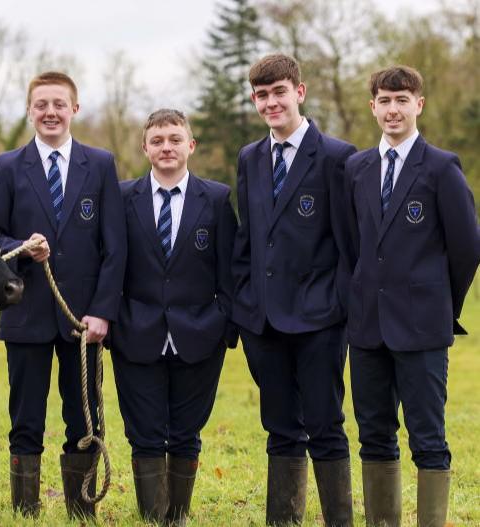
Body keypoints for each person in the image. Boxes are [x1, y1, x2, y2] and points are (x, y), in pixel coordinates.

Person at [0, 71, 127, 520]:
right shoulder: (7, 166)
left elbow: (115, 247)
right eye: (41, 104)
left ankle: (82, 511)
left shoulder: (100, 164)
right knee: (25, 419)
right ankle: (25, 511)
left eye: (59, 104)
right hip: (25, 313)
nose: (50, 112)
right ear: (29, 110)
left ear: (74, 109)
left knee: (84, 419)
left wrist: (103, 312)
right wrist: (22, 248)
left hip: (82, 320)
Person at [344, 65, 480, 527]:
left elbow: (466, 248)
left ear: (419, 104)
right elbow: (351, 244)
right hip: (366, 326)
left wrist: (441, 303)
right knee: (373, 434)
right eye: (384, 100)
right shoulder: (357, 168)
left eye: (402, 100)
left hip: (422, 326)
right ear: (373, 107)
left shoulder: (441, 167)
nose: (393, 109)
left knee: (427, 436)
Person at [231, 54, 357, 526]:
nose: (271, 102)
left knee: (325, 426)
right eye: (261, 95)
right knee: (280, 428)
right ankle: (283, 520)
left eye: (279, 92)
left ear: (299, 92)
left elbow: (350, 244)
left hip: (320, 318)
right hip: (263, 321)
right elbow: (247, 238)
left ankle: (338, 521)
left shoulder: (338, 158)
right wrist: (245, 303)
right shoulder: (250, 158)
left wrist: (339, 304)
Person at [110, 109, 237, 526]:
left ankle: (177, 517)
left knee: (186, 432)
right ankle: (152, 518)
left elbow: (229, 269)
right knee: (144, 432)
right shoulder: (122, 197)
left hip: (200, 333)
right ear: (145, 147)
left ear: (190, 145)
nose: (167, 147)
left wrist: (223, 323)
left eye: (175, 139)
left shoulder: (216, 199)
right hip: (136, 332)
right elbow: (112, 264)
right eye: (158, 140)